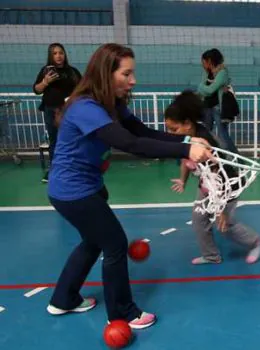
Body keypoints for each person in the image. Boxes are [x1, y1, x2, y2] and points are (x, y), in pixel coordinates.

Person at [46, 44, 212, 329]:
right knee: (114, 244)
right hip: (73, 192)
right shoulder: (86, 107)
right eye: (126, 73)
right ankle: (122, 312)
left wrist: (188, 140)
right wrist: (186, 152)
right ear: (105, 74)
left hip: (87, 185)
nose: (133, 80)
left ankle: (63, 299)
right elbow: (131, 145)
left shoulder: (112, 105)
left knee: (92, 241)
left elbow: (143, 132)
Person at [166, 90, 260, 265]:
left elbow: (218, 178)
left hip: (226, 187)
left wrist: (221, 212)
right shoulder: (185, 138)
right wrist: (182, 180)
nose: (170, 133)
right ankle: (212, 256)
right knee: (198, 219)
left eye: (174, 128)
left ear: (187, 123)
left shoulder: (206, 145)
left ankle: (255, 242)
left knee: (225, 226)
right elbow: (185, 160)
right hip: (206, 184)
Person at [33, 43, 82, 183]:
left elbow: (82, 88)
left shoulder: (72, 72)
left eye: (61, 52)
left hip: (70, 111)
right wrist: (45, 82)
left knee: (73, 140)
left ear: (65, 54)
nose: (58, 56)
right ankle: (55, 169)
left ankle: (74, 168)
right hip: (51, 111)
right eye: (54, 53)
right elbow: (36, 90)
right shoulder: (45, 71)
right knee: (55, 141)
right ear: (50, 56)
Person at [198, 48, 238, 153]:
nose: (202, 64)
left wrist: (200, 87)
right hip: (206, 107)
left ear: (210, 61)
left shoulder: (222, 72)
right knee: (205, 133)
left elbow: (210, 90)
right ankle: (210, 158)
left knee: (223, 135)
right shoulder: (206, 73)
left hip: (218, 108)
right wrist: (202, 89)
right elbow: (204, 91)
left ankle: (237, 161)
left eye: (204, 61)